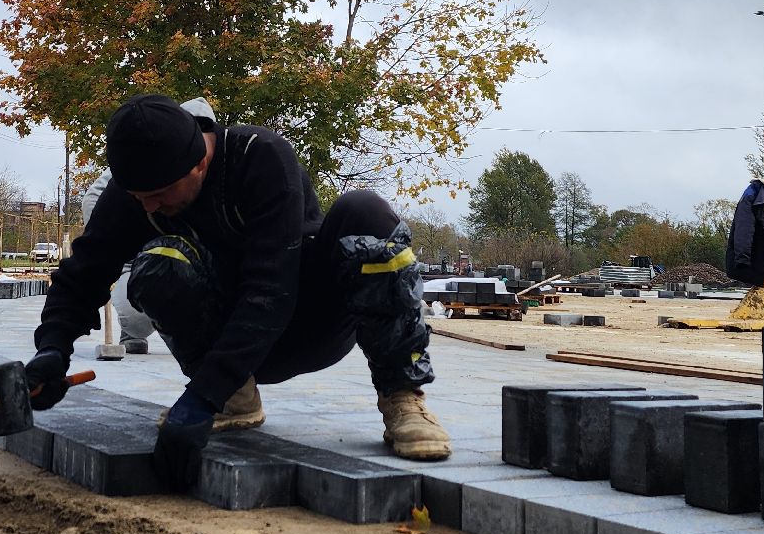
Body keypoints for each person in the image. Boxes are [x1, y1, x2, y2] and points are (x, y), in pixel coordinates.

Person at [23, 94, 450, 491]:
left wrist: (201, 396)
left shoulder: (260, 158)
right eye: (139, 197)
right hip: (226, 345)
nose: (149, 206)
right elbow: (84, 273)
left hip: (308, 321)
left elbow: (271, 290)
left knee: (365, 214)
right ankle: (235, 397)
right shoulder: (137, 193)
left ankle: (402, 395)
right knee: (158, 263)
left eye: (157, 195)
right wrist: (52, 350)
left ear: (199, 164)